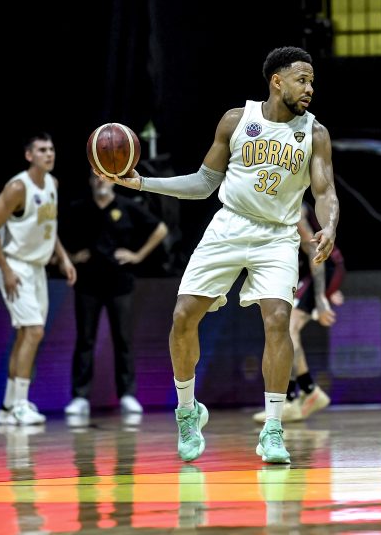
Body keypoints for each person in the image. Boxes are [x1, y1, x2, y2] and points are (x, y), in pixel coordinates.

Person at [97, 46, 339, 464]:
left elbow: (324, 191)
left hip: (278, 235)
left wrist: (329, 225)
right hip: (229, 225)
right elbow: (203, 183)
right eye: (302, 80)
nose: (309, 88)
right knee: (182, 317)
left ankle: (273, 429)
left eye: (312, 82)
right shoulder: (236, 120)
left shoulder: (315, 133)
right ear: (277, 81)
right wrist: (142, 184)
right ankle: (188, 411)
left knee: (278, 320)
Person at [0, 132, 77, 426]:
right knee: (34, 331)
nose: (49, 154)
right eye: (42, 150)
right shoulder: (17, 187)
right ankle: (21, 404)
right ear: (29, 155)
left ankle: (8, 408)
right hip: (15, 265)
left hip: (37, 268)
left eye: (51, 149)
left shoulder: (53, 184)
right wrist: (6, 270)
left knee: (27, 334)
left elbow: (48, 227)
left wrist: (63, 257)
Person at [62, 173, 169, 418]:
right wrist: (69, 257)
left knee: (123, 339)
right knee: (85, 340)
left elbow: (161, 229)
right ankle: (80, 397)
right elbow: (52, 232)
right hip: (87, 283)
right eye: (95, 177)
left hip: (120, 283)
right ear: (90, 181)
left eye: (105, 177)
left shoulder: (127, 206)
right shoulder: (79, 208)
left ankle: (127, 395)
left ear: (113, 181)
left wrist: (138, 255)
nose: (100, 181)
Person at [252, 200, 344, 424]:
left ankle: (292, 399)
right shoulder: (268, 211)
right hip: (309, 271)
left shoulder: (295, 209)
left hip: (323, 266)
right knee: (286, 331)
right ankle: (307, 391)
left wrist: (321, 297)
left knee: (288, 330)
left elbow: (315, 251)